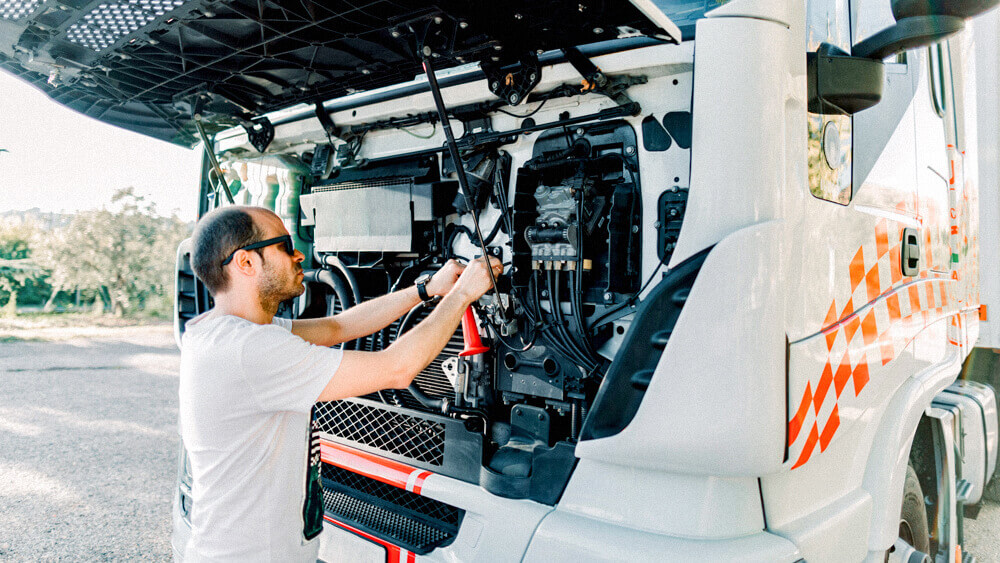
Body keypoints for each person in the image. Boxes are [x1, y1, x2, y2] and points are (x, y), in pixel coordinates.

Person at [178, 205, 502, 562]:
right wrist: (462, 295)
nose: (300, 253)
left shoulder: (220, 332)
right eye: (285, 245)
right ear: (246, 263)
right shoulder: (249, 349)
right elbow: (398, 368)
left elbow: (338, 327)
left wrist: (426, 290)